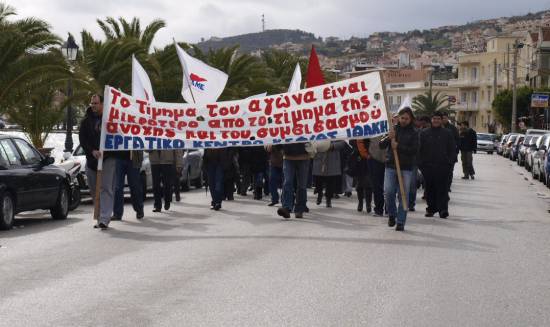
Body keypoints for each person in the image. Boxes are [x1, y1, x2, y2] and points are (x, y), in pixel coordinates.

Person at [79, 94, 116, 230]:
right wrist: (92, 151)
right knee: (95, 190)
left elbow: (117, 136)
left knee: (106, 188)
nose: (93, 105)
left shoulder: (110, 120)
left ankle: (105, 219)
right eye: (92, 103)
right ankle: (100, 216)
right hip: (91, 161)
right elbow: (83, 140)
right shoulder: (85, 122)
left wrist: (107, 150)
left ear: (102, 104)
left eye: (96, 103)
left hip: (108, 159)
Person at [380, 107, 418, 231]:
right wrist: (388, 138)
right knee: (388, 192)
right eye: (402, 118)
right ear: (399, 118)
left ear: (410, 119)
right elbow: (381, 145)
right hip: (391, 166)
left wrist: (399, 146)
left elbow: (415, 150)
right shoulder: (393, 130)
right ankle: (392, 214)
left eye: (407, 118)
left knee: (403, 195)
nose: (404, 120)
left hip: (406, 168)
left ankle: (401, 221)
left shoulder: (414, 133)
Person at [418, 111, 457, 219]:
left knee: (442, 189)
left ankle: (443, 210)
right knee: (430, 189)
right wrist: (421, 164)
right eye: (434, 118)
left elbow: (452, 149)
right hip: (428, 167)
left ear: (441, 120)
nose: (436, 121)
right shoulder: (424, 133)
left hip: (443, 166)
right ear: (431, 120)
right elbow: (419, 150)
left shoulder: (447, 133)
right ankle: (430, 209)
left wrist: (450, 162)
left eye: (438, 119)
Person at [277, 143, 310, 219]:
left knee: (302, 185)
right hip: (288, 157)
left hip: (304, 156)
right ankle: (286, 208)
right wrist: (280, 148)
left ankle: (299, 209)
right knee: (287, 182)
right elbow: (277, 134)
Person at [312, 141, 346, 208]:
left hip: (332, 157)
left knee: (331, 181)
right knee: (318, 179)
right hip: (320, 156)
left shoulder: (338, 131)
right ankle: (319, 193)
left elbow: (343, 142)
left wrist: (333, 146)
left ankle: (328, 199)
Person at [112, 150, 144, 220]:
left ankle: (139, 209)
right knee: (117, 187)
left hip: (133, 159)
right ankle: (117, 213)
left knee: (135, 186)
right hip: (118, 158)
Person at [350, 139, 372, 213]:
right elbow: (351, 141)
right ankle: (360, 203)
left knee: (368, 184)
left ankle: (368, 204)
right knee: (359, 184)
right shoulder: (357, 132)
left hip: (370, 158)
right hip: (359, 160)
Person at [367, 135, 386, 216]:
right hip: (374, 157)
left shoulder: (395, 126)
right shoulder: (371, 124)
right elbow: (361, 139)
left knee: (389, 188)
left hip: (390, 159)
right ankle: (378, 209)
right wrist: (366, 154)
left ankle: (389, 209)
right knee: (376, 185)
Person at [442, 112, 460, 191]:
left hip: (450, 154)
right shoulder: (436, 128)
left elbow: (457, 140)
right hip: (439, 155)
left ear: (447, 118)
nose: (443, 120)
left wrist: (455, 151)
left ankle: (447, 186)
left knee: (449, 172)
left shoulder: (452, 128)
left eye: (444, 118)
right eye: (442, 118)